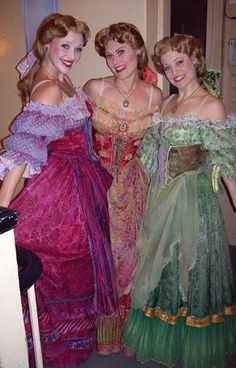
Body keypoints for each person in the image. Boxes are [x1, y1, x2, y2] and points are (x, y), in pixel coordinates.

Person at [0, 13, 118, 368]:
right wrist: (3, 205)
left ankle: (70, 339)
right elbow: (24, 149)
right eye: (64, 45)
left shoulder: (62, 79)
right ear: (46, 44)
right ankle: (53, 344)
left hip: (81, 182)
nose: (72, 54)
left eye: (78, 48)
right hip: (62, 190)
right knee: (65, 261)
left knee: (77, 263)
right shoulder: (50, 88)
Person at [124, 34, 236, 367]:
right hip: (160, 196)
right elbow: (149, 153)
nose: (174, 71)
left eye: (180, 62)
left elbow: (226, 162)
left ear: (195, 61)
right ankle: (157, 332)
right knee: (160, 269)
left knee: (189, 269)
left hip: (192, 203)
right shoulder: (166, 104)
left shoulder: (211, 105)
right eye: (168, 65)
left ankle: (189, 343)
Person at [83, 22, 163, 356]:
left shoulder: (156, 96)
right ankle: (104, 334)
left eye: (121, 51)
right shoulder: (94, 88)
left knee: (130, 258)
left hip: (133, 185)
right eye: (108, 54)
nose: (114, 60)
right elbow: (73, 135)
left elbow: (159, 145)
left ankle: (129, 332)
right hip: (97, 183)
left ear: (137, 50)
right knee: (101, 257)